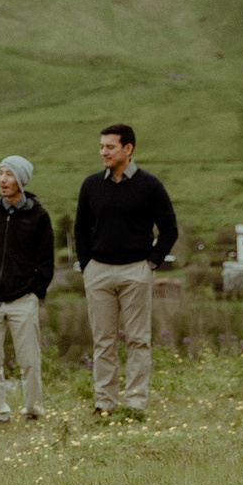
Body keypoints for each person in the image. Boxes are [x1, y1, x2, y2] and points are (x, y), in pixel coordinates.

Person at [73, 125, 178, 417]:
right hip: (99, 272)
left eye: (110, 147)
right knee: (103, 340)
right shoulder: (91, 185)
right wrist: (87, 265)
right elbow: (80, 228)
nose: (103, 152)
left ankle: (134, 403)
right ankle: (104, 403)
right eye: (101, 147)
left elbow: (169, 229)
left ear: (128, 149)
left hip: (136, 271)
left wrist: (151, 264)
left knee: (137, 339)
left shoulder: (150, 185)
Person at [0, 155, 53, 422]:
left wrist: (35, 291)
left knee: (29, 359)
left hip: (23, 298)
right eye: (0, 173)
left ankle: (33, 409)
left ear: (21, 180)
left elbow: (46, 260)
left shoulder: (38, 216)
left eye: (9, 174)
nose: (2, 180)